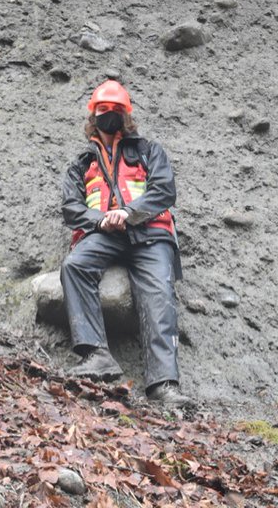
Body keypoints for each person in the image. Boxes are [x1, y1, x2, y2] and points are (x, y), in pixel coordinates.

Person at [60, 80, 191, 408]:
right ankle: (96, 353)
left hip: (150, 234)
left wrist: (129, 213)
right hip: (105, 234)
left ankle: (164, 384)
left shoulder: (149, 151)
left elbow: (164, 191)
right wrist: (99, 220)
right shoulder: (82, 163)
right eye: (103, 110)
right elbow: (70, 208)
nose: (110, 115)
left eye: (116, 110)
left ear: (126, 115)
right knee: (75, 266)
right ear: (93, 115)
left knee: (159, 294)